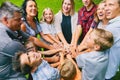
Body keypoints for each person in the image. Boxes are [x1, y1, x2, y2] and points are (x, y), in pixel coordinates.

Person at [0, 1, 51, 80]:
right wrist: (55, 58)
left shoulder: (13, 28)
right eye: (18, 20)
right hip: (8, 75)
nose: (21, 22)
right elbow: (33, 58)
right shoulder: (11, 44)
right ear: (6, 20)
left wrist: (52, 47)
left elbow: (32, 39)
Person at [104, 0, 120, 79]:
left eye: (111, 5)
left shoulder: (112, 28)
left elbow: (96, 47)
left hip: (106, 71)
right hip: (113, 67)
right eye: (106, 5)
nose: (106, 8)